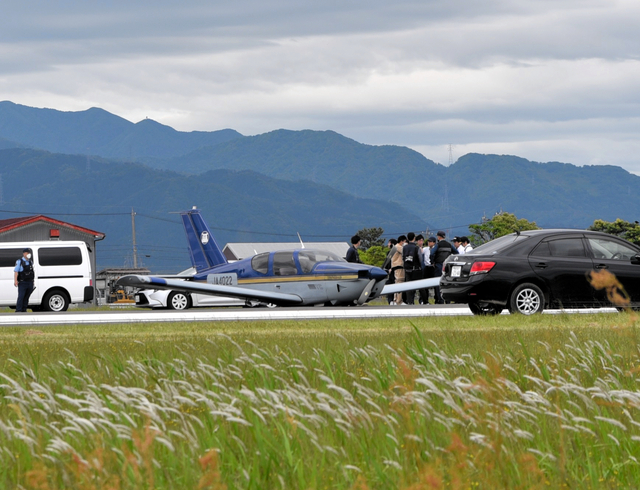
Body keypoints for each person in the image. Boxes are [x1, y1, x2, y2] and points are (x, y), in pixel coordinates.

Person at [430, 231, 458, 304]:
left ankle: (440, 300)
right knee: (447, 283)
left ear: (439, 237)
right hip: (447, 266)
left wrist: (432, 262)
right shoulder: (449, 245)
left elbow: (432, 253)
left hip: (439, 265)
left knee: (438, 283)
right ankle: (447, 300)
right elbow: (456, 252)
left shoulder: (438, 245)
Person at [402, 232, 422, 304]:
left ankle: (409, 301)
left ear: (407, 238)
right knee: (416, 285)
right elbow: (420, 258)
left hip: (407, 269)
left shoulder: (404, 248)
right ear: (414, 238)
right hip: (415, 269)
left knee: (408, 285)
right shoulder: (416, 248)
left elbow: (403, 257)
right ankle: (416, 300)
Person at [14, 248, 35, 312]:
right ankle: (18, 310)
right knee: (21, 297)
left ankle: (24, 309)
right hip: (22, 282)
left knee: (27, 297)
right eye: (27, 253)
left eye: (29, 253)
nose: (28, 254)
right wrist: (15, 281)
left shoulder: (30, 262)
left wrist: (33, 281)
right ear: (24, 253)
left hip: (30, 282)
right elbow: (16, 272)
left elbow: (32, 272)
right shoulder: (19, 262)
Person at [391, 235, 407, 305]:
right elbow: (405, 251)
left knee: (397, 282)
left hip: (396, 266)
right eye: (405, 241)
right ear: (401, 241)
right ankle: (399, 301)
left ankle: (395, 300)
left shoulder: (395, 246)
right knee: (400, 282)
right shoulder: (398, 247)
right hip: (399, 266)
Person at [382, 238, 397, 304]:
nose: (388, 244)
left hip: (393, 271)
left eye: (389, 243)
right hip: (390, 271)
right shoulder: (389, 252)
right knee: (390, 285)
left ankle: (392, 300)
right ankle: (390, 300)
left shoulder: (394, 252)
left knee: (392, 285)